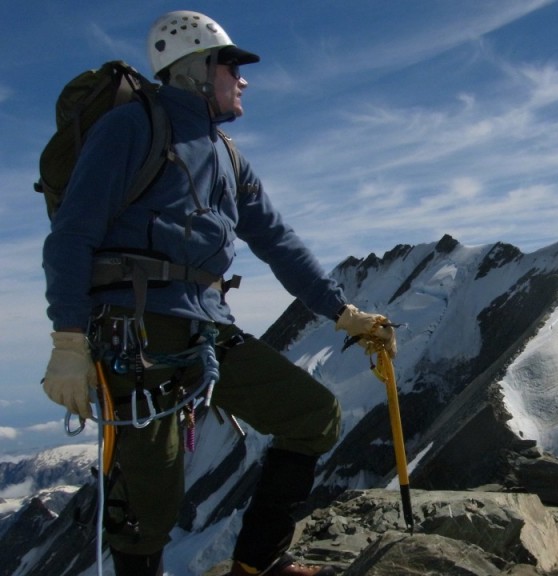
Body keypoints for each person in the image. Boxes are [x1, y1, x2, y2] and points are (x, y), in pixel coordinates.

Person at [40, 10, 396, 576]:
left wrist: (341, 312)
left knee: (312, 414)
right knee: (150, 496)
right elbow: (72, 236)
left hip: (205, 328)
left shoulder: (227, 155)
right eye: (232, 66)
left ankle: (258, 564)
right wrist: (69, 338)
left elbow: (277, 239)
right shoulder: (131, 127)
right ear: (196, 70)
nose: (243, 80)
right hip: (136, 332)